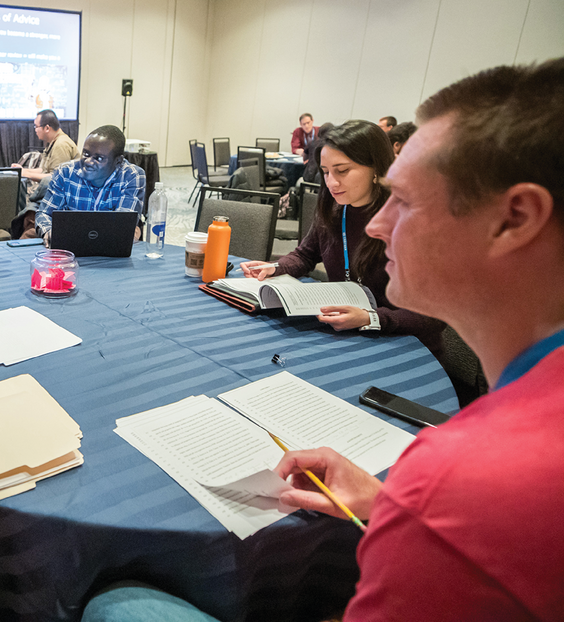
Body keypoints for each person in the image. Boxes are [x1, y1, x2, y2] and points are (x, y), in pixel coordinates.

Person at [82, 57, 564, 622]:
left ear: (515, 218)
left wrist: (420, 509)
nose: (380, 226)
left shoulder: (466, 479)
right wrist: (390, 504)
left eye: (405, 201)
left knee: (116, 604)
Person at [241, 119, 444, 354]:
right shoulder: (336, 208)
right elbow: (306, 254)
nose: (332, 183)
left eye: (343, 171)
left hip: (406, 345)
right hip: (350, 334)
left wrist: (371, 318)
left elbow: (436, 314)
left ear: (377, 169)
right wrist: (276, 267)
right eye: (326, 172)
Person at [35, 124, 146, 245]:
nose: (88, 162)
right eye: (86, 154)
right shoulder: (66, 172)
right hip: (70, 251)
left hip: (109, 255)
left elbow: (123, 227)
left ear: (118, 161)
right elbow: (44, 214)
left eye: (98, 158)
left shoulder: (131, 176)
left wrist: (71, 230)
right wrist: (48, 231)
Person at [11, 109, 80, 183]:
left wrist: (26, 174)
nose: (35, 130)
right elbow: (44, 170)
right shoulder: (54, 141)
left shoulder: (61, 144)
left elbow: (56, 178)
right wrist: (22, 170)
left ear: (47, 128)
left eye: (36, 126)